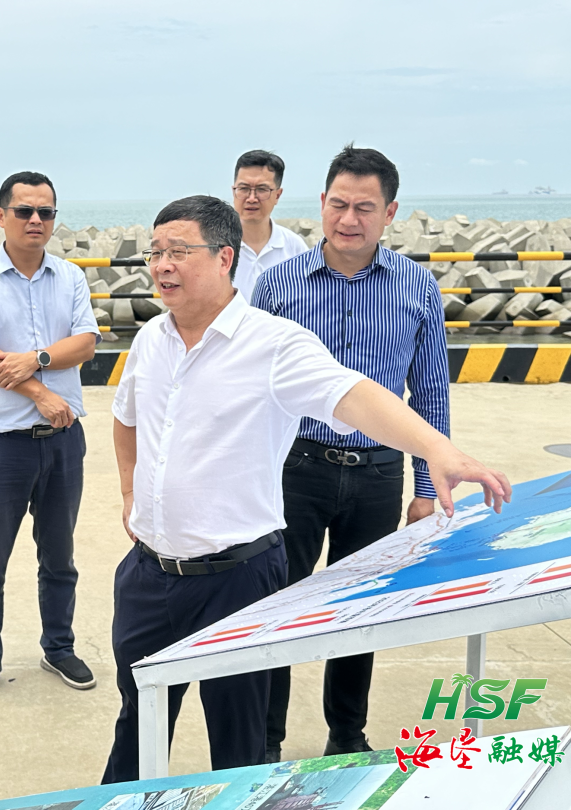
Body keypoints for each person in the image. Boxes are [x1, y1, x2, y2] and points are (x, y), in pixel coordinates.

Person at [102, 195, 509, 783]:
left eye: (179, 251)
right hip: (148, 574)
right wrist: (128, 493)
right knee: (138, 718)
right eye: (155, 252)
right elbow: (126, 418)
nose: (162, 265)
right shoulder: (151, 340)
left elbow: (354, 396)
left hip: (235, 579)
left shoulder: (272, 344)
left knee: (238, 740)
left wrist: (436, 450)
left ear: (224, 257)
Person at [253, 145, 450, 761]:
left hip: (377, 474)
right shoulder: (278, 283)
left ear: (390, 212)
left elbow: (430, 395)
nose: (349, 219)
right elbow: (250, 387)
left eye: (365, 207)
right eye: (339, 204)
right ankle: (265, 741)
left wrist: (426, 487)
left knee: (359, 611)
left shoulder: (417, 286)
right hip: (295, 469)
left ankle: (346, 735)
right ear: (321, 203)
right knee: (276, 604)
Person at [0, 171, 101, 707]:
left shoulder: (71, 277)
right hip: (0, 443)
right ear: (1, 216)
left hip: (63, 439)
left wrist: (33, 359)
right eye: (24, 211)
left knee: (60, 557)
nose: (36, 220)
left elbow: (85, 343)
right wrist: (40, 391)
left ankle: (59, 648)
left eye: (46, 212)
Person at [231, 150, 308, 302]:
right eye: (244, 189)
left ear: (277, 195)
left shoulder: (294, 248)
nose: (251, 198)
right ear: (234, 192)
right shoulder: (216, 245)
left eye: (262, 189)